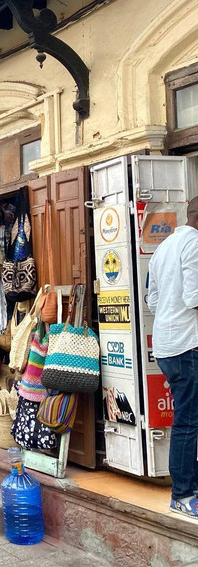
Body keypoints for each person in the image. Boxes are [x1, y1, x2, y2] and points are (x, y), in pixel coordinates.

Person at [148, 196, 198, 518]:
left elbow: (152, 299)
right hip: (186, 345)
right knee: (188, 422)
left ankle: (187, 487)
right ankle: (182, 495)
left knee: (189, 420)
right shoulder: (194, 244)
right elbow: (194, 297)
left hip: (167, 344)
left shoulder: (165, 246)